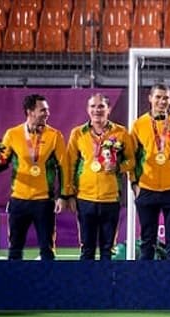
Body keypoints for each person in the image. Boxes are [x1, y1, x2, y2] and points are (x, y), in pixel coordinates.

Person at [0, 94, 69, 260]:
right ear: (30, 111)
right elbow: (3, 161)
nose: (47, 113)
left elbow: (63, 167)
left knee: (47, 250)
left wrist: (63, 196)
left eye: (47, 109)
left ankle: (49, 285)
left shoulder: (55, 136)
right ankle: (14, 284)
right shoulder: (13, 134)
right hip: (19, 200)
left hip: (44, 202)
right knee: (15, 248)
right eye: (43, 110)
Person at [65, 94, 136, 260]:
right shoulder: (78, 134)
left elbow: (132, 161)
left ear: (109, 110)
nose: (97, 110)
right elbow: (69, 165)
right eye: (93, 106)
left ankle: (106, 284)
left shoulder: (121, 133)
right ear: (88, 110)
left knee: (107, 249)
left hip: (111, 199)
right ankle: (85, 284)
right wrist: (68, 194)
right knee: (87, 248)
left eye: (101, 106)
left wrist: (118, 167)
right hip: (85, 198)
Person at [131, 83, 170, 260]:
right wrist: (134, 184)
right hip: (147, 188)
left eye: (165, 97)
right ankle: (145, 283)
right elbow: (131, 157)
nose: (161, 101)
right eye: (158, 97)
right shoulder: (139, 124)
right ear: (150, 98)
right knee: (147, 241)